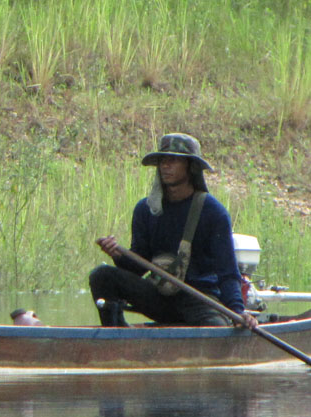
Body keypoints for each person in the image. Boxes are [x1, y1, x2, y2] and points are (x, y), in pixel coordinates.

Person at [89, 133, 258, 330]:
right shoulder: (146, 210)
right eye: (162, 160)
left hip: (200, 300)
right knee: (102, 276)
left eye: (174, 160)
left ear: (191, 167)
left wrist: (238, 312)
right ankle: (116, 335)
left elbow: (228, 273)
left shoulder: (213, 212)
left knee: (217, 329)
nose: (165, 166)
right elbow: (139, 265)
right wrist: (118, 255)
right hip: (160, 296)